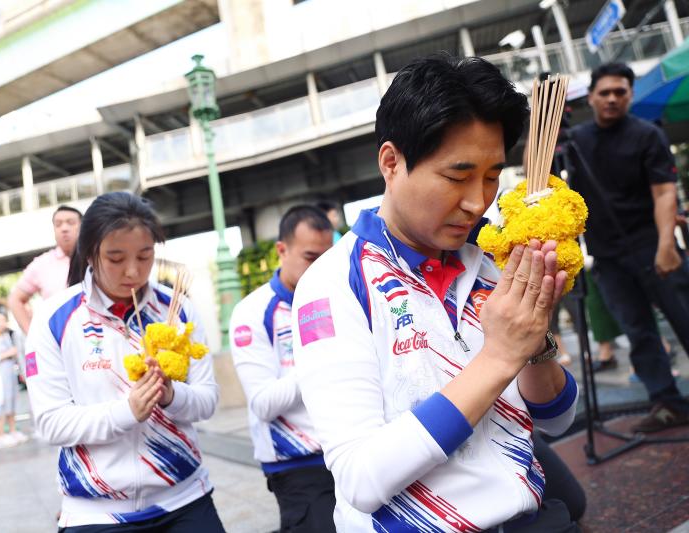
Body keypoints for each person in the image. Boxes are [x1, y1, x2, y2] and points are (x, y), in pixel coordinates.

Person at [292, 55, 580, 531]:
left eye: (492, 176)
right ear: (391, 162)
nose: (476, 201)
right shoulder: (332, 285)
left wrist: (536, 339)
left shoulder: (493, 257)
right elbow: (361, 480)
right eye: (456, 175)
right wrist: (499, 355)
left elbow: (557, 421)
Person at [25, 191, 223, 531]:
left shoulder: (177, 312)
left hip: (186, 498)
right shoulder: (54, 319)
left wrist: (172, 396)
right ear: (90, 254)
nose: (133, 271)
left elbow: (206, 401)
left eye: (145, 256)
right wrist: (128, 411)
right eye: (116, 258)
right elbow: (52, 423)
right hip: (96, 513)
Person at [568, 62, 689, 432]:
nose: (612, 98)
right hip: (607, 255)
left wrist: (667, 244)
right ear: (591, 97)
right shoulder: (575, 141)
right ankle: (668, 403)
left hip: (653, 244)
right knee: (638, 332)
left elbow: (664, 191)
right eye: (604, 92)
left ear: (630, 96)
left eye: (620, 91)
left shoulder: (647, 135)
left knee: (685, 318)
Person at [230, 205, 336, 532]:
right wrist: (319, 359)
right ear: (281, 250)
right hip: (298, 466)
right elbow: (263, 403)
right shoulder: (252, 313)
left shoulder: (339, 296)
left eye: (326, 258)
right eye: (309, 257)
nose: (320, 268)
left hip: (350, 450)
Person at [9, 205, 82, 335]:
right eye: (58, 224)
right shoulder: (41, 264)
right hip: (61, 341)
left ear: (82, 226)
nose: (64, 228)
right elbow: (15, 300)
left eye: (71, 223)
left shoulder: (98, 257)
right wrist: (33, 335)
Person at [0, 313, 27, 449]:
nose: (1, 324)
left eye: (3, 320)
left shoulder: (7, 337)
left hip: (10, 375)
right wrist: (8, 353)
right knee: (0, 404)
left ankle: (13, 431)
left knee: (11, 402)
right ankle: (0, 435)